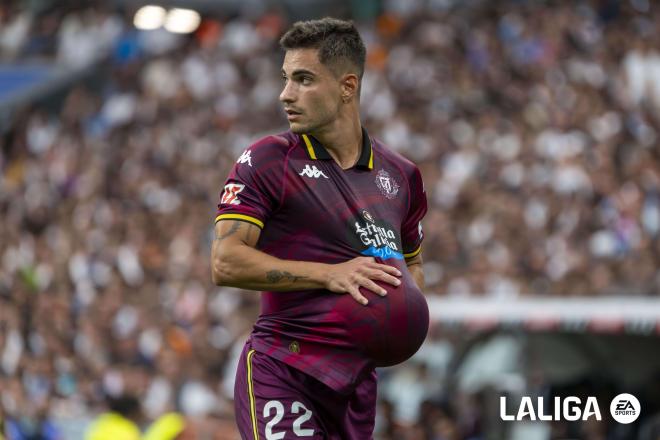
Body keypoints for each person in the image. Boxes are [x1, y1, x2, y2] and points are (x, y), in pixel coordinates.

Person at [211, 17, 429, 439]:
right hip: (283, 368)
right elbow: (225, 262)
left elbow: (411, 269)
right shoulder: (268, 161)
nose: (285, 95)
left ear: (347, 86)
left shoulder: (401, 175)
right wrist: (330, 274)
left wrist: (397, 321)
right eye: (286, 79)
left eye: (303, 80)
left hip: (355, 386)